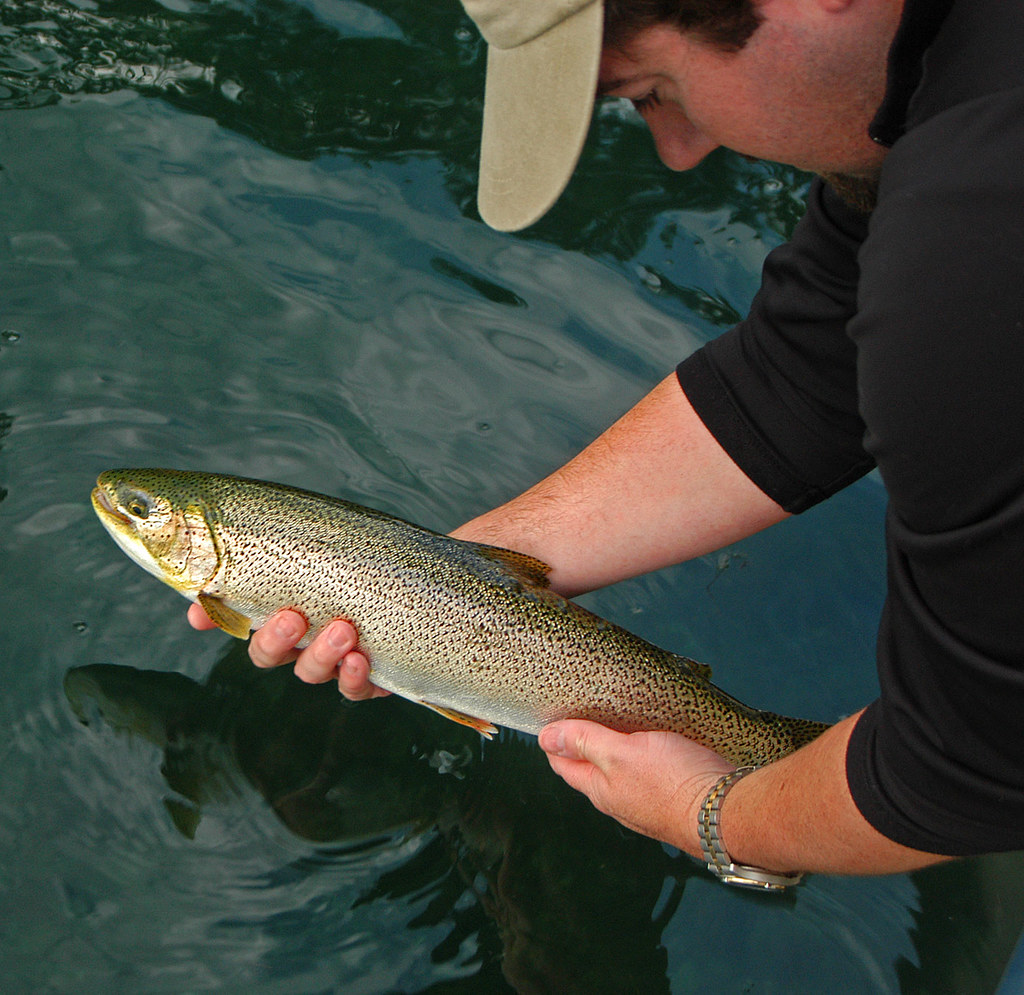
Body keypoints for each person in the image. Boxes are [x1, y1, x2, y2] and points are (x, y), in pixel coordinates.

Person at [189, 0, 1024, 883]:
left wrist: (709, 814)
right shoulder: (934, 91)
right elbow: (807, 367)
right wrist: (427, 587)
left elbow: (968, 766)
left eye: (654, 90)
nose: (679, 150)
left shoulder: (971, 250)